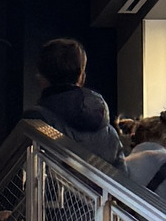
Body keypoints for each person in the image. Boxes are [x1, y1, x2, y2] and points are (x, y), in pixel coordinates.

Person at [32, 35, 118, 163]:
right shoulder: (109, 133)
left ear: (42, 78)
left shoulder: (34, 121)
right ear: (82, 77)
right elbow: (121, 172)